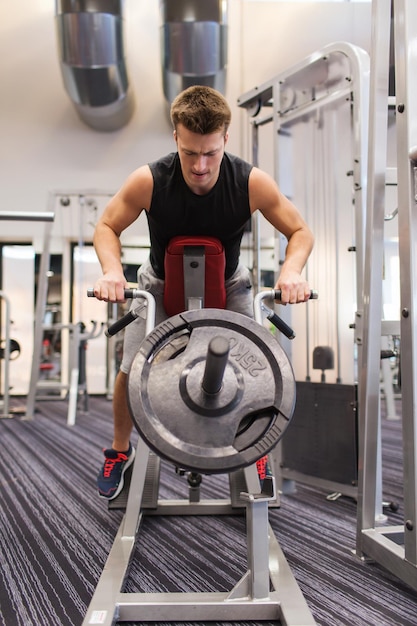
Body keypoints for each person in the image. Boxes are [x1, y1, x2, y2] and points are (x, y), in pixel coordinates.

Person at [92, 85, 314, 500]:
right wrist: (110, 270)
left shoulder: (250, 182)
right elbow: (107, 226)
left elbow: (299, 231)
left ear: (225, 139)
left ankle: (255, 448)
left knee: (257, 368)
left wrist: (292, 270)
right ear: (176, 136)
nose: (199, 165)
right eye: (190, 152)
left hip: (229, 284)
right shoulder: (149, 179)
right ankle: (120, 451)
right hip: (159, 284)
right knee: (131, 368)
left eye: (210, 152)